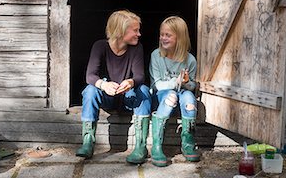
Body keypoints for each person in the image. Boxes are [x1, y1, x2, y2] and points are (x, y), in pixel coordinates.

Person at [76, 10, 151, 164]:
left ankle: (140, 146)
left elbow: (139, 76)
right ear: (121, 31)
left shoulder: (136, 48)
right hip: (107, 97)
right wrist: (104, 85)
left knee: (143, 89)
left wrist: (130, 82)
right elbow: (90, 76)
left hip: (128, 98)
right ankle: (88, 142)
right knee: (90, 90)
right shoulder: (100, 46)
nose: (139, 34)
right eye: (135, 30)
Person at [149, 16, 200, 167]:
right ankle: (157, 146)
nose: (163, 38)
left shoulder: (189, 60)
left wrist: (185, 82)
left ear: (180, 37)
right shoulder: (156, 55)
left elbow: (192, 86)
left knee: (190, 100)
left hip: (182, 94)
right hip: (162, 95)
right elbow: (157, 85)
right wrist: (175, 81)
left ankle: (188, 142)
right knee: (171, 96)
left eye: (168, 35)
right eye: (162, 34)